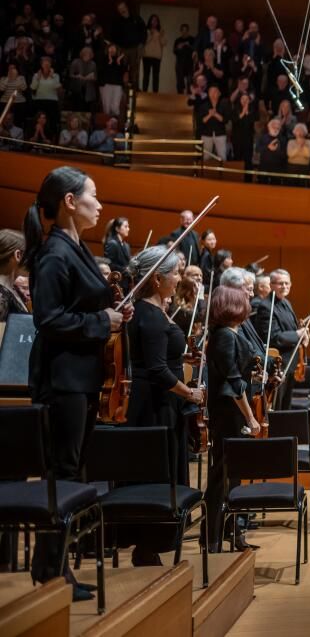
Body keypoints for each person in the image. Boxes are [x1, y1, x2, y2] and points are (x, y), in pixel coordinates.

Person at [25, 166, 130, 600]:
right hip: (63, 380)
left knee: (72, 472)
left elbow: (90, 306)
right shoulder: (54, 253)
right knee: (63, 473)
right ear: (70, 201)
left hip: (82, 379)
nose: (100, 204)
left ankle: (54, 566)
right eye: (93, 195)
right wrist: (99, 320)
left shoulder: (76, 247)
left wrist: (116, 312)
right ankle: (51, 571)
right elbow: (48, 320)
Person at [125, 246, 203, 495]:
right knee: (158, 472)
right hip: (156, 405)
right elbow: (157, 370)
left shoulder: (147, 311)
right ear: (157, 279)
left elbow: (159, 355)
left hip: (155, 400)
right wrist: (190, 394)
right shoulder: (151, 317)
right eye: (176, 273)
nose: (180, 278)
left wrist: (184, 357)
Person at [203, 285, 262, 552]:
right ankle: (212, 538)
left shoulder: (228, 333)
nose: (248, 302)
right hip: (229, 414)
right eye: (243, 300)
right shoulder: (225, 336)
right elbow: (233, 382)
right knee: (222, 476)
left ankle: (232, 532)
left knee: (233, 475)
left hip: (231, 412)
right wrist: (250, 417)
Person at [253, 268, 308, 410]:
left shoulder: (286, 303)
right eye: (280, 283)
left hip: (290, 363)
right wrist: (297, 335)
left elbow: (290, 329)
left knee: (286, 405)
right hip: (278, 364)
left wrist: (301, 333)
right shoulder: (266, 307)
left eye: (287, 283)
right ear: (271, 285)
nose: (284, 286)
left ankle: (286, 431)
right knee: (277, 407)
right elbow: (273, 338)